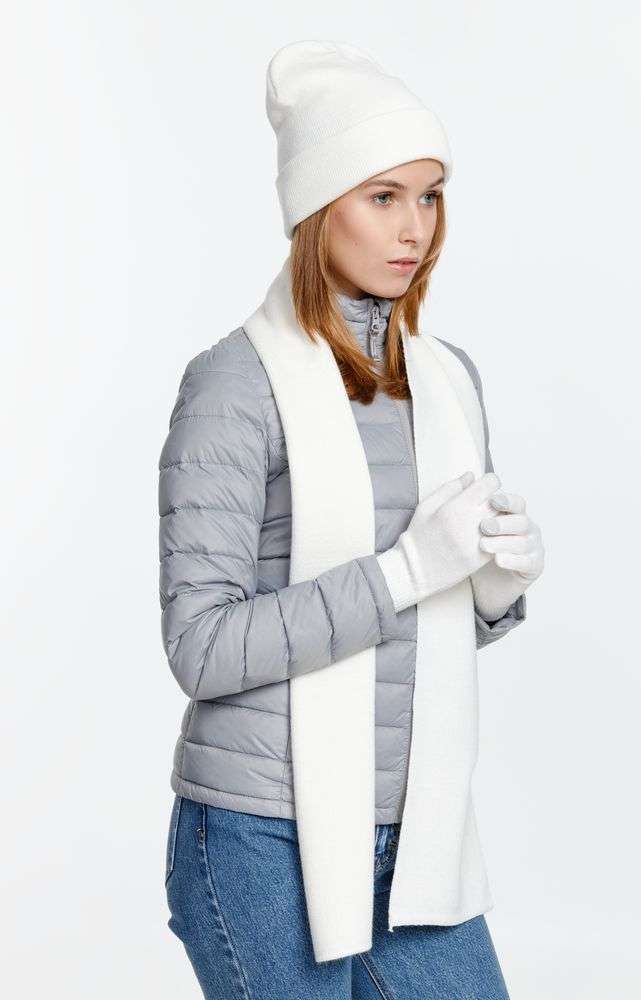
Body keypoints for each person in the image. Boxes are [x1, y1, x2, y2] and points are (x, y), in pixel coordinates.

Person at [159, 39, 545, 999]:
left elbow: (419, 636)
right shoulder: (235, 383)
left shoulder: (446, 379)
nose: (414, 228)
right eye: (383, 196)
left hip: (416, 839)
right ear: (318, 207)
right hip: (258, 836)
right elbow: (200, 648)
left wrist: (492, 589)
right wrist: (407, 570)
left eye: (431, 196)